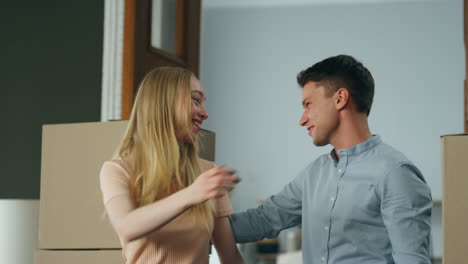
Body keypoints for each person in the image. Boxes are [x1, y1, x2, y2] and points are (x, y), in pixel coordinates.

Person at [229, 55, 432, 264]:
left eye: (309, 104)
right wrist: (198, 213)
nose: (302, 119)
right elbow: (262, 220)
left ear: (340, 98)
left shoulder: (396, 173)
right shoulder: (313, 174)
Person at [99, 67, 245, 264]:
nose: (205, 113)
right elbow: (126, 227)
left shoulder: (208, 173)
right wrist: (192, 194)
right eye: (195, 100)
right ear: (163, 103)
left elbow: (231, 257)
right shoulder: (118, 170)